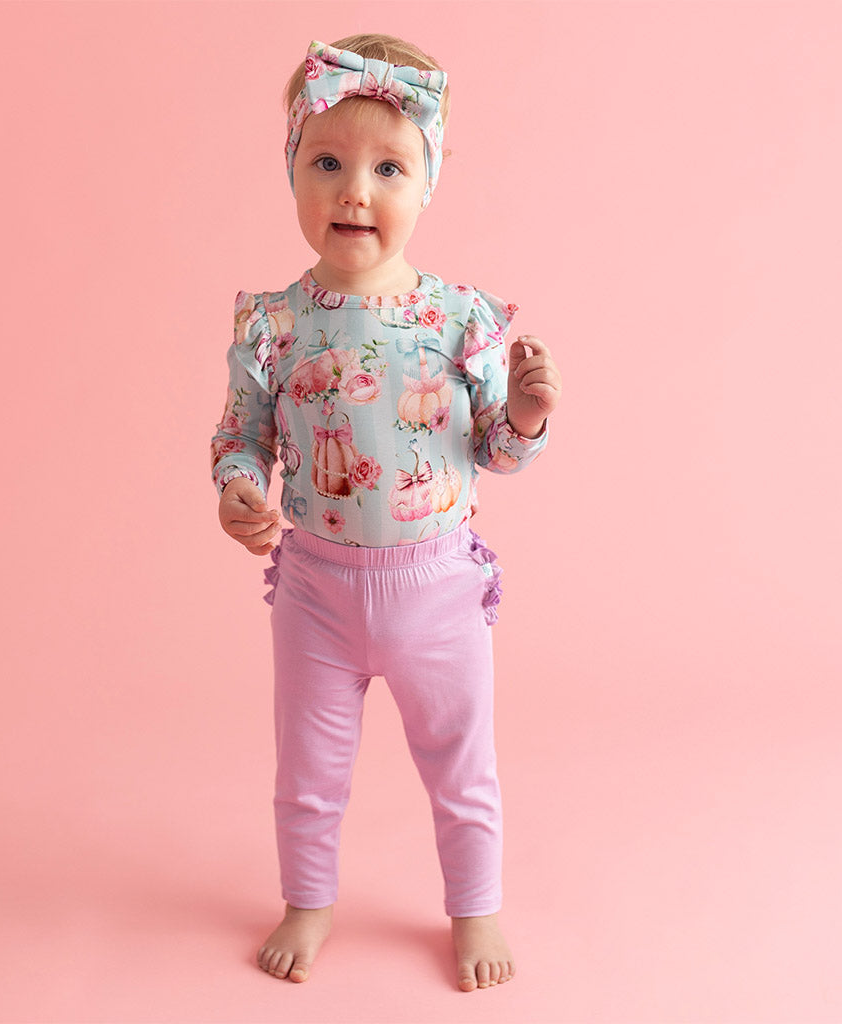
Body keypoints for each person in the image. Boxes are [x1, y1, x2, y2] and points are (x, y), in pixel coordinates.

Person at [210, 34, 562, 992]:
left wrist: (525, 410)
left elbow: (495, 447)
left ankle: (474, 908)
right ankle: (308, 901)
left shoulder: (461, 322)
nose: (353, 190)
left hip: (438, 590)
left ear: (428, 183)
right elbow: (241, 436)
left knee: (463, 768)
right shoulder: (274, 326)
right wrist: (238, 489)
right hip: (316, 592)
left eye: (387, 167)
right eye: (326, 162)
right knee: (307, 775)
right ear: (291, 173)